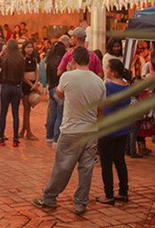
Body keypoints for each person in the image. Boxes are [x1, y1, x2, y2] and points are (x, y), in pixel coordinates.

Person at [32, 47, 106, 216]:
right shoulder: (98, 81)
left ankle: (49, 198)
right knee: (86, 169)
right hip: (90, 130)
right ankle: (80, 203)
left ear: (73, 60)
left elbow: (59, 94)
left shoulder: (67, 77)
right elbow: (100, 110)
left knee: (62, 167)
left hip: (72, 129)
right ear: (89, 60)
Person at [96, 58, 131, 206]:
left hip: (107, 129)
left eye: (107, 68)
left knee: (106, 163)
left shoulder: (107, 87)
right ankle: (123, 192)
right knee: (120, 161)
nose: (105, 70)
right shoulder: (127, 87)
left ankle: (108, 194)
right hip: (122, 128)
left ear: (114, 72)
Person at [0, 39, 25, 146]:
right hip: (17, 87)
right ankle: (15, 139)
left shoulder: (5, 59)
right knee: (15, 114)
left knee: (3, 113)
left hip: (5, 86)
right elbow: (22, 74)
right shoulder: (21, 59)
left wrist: (2, 53)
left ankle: (1, 138)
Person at [45, 40, 67, 145]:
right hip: (59, 89)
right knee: (60, 115)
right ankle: (56, 138)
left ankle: (49, 136)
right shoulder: (62, 62)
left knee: (52, 114)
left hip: (51, 88)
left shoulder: (49, 60)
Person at [19, 41, 40, 140]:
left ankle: (23, 130)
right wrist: (32, 85)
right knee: (26, 109)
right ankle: (29, 132)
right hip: (25, 86)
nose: (30, 49)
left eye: (31, 47)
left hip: (33, 85)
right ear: (24, 49)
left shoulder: (34, 59)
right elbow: (22, 75)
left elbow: (36, 71)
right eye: (27, 47)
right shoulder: (22, 59)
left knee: (28, 110)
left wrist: (36, 83)